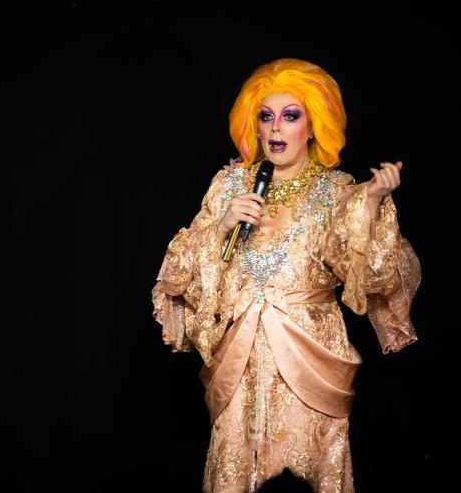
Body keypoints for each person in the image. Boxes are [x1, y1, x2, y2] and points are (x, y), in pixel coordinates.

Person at [151, 58, 420, 492]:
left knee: (304, 466)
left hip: (308, 354)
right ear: (255, 126)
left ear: (312, 127)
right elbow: (181, 271)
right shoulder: (229, 184)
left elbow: (366, 275)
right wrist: (222, 226)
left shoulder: (336, 190)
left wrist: (369, 201)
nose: (276, 128)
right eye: (266, 116)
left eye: (290, 116)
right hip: (240, 358)